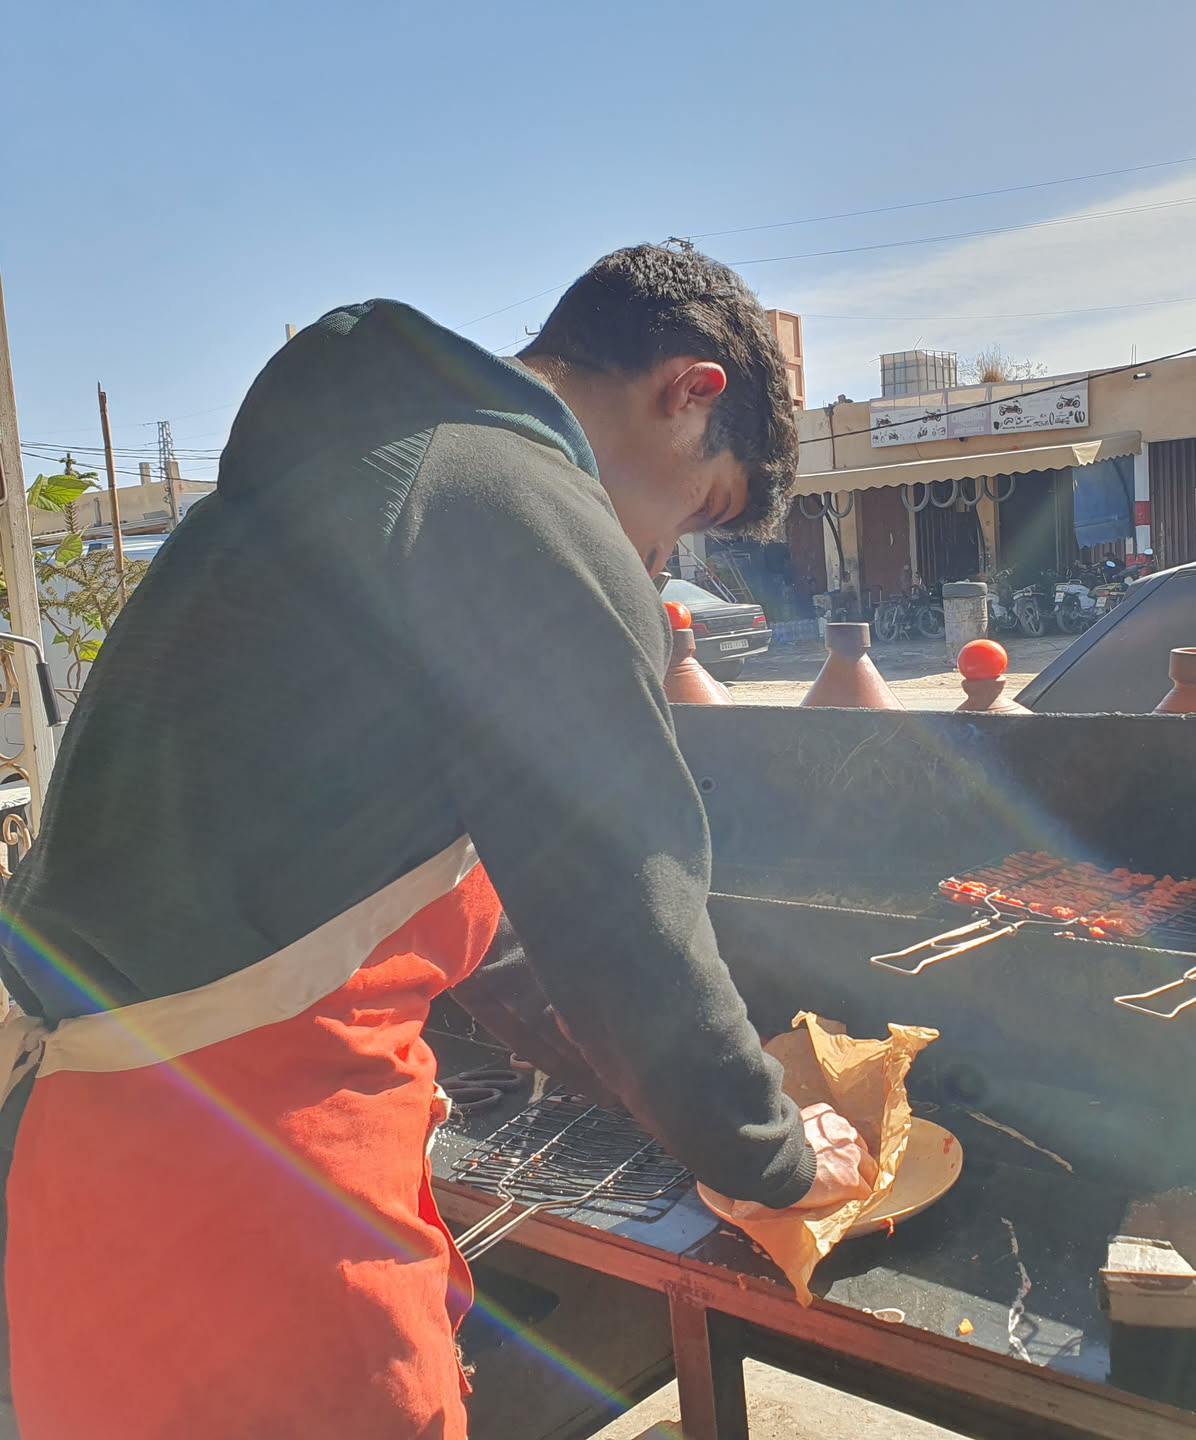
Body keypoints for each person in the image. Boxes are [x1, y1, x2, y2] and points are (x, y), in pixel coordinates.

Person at [0, 244, 872, 1439]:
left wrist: (654, 1089)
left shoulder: (352, 482)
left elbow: (490, 917)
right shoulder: (519, 501)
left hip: (79, 1181)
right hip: (258, 1216)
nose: (664, 559)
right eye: (697, 511)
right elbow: (622, 915)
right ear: (690, 390)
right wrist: (769, 1154)